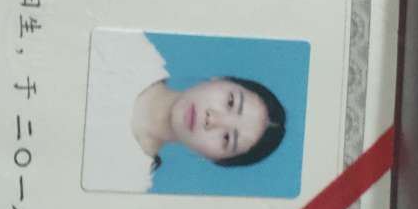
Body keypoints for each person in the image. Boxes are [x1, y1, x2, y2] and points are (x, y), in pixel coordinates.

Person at [81, 30, 286, 193]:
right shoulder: (126, 47)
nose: (213, 119)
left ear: (215, 160)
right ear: (220, 79)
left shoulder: (123, 181)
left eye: (226, 138)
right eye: (230, 102)